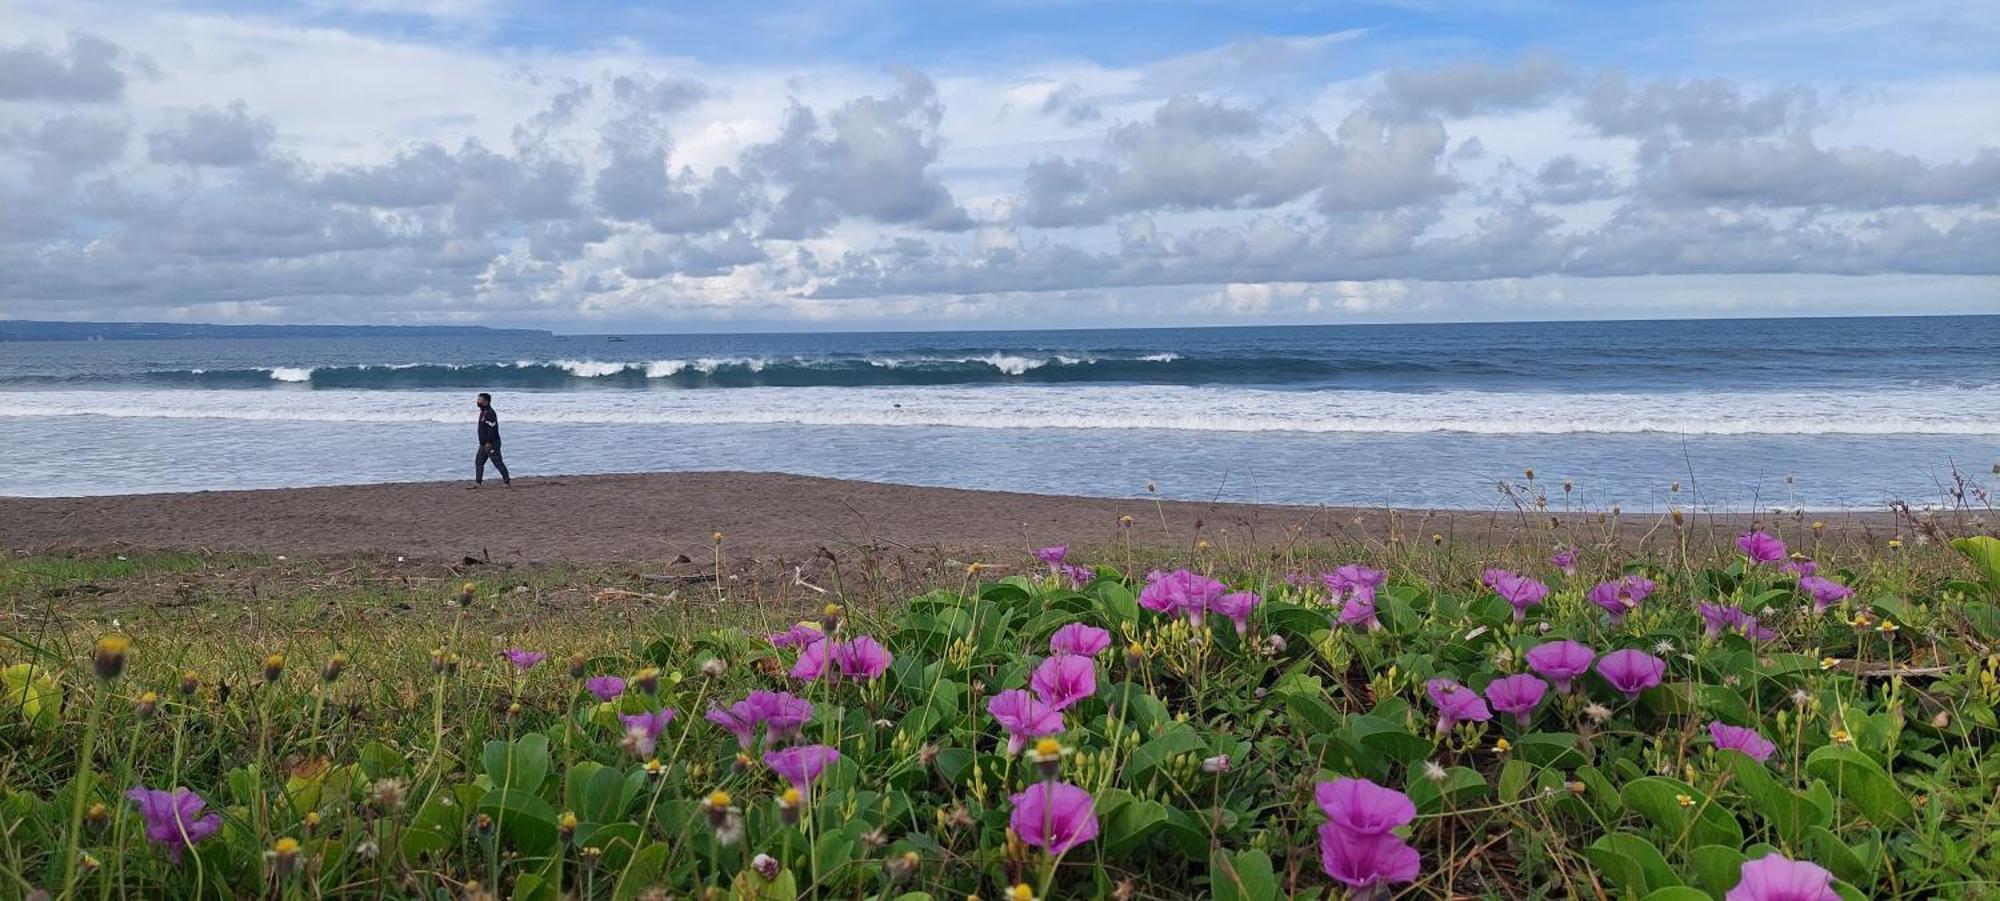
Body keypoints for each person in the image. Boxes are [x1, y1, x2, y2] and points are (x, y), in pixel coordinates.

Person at [473, 392, 511, 487]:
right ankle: (478, 483)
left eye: (480, 400)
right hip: (483, 444)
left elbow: (491, 429)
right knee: (479, 462)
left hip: (491, 443)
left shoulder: (490, 413)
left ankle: (507, 481)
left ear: (486, 401)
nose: (478, 401)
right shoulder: (483, 412)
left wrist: (488, 442)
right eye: (478, 399)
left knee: (497, 462)